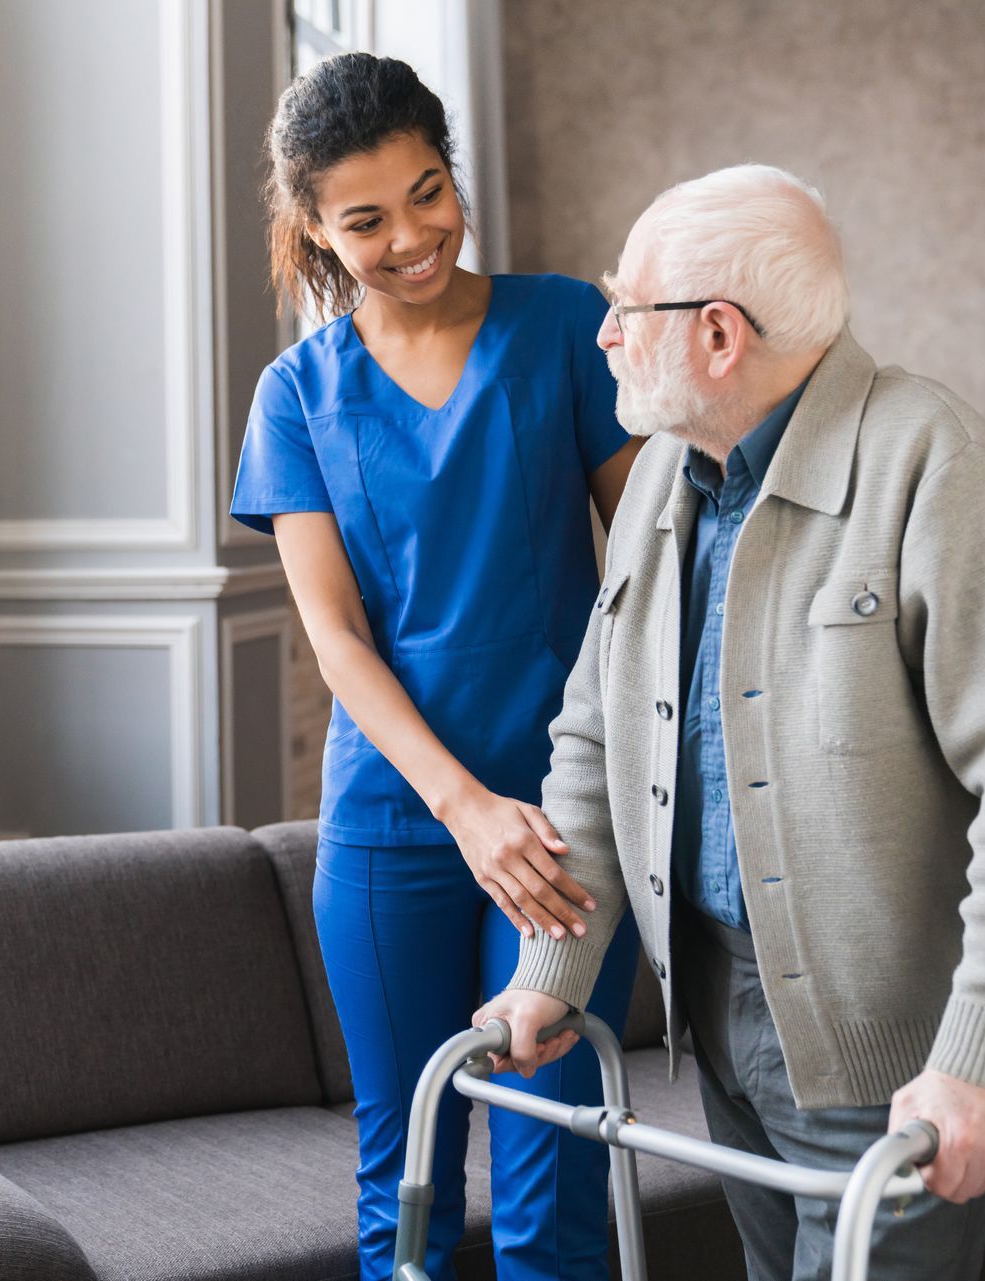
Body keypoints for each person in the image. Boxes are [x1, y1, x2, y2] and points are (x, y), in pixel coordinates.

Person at [472, 164, 985, 1281]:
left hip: (893, 1057)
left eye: (624, 309)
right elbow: (597, 734)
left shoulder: (930, 461)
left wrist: (982, 1062)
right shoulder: (665, 481)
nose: (605, 338)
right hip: (716, 1019)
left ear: (719, 335)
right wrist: (553, 966)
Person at [230, 51, 647, 1281]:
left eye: (428, 193)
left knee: (554, 1176)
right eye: (365, 218)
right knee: (402, 1176)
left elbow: (644, 576)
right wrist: (463, 810)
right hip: (393, 828)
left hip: (565, 824)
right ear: (312, 225)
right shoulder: (296, 395)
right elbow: (338, 640)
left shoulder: (567, 325)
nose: (412, 236)